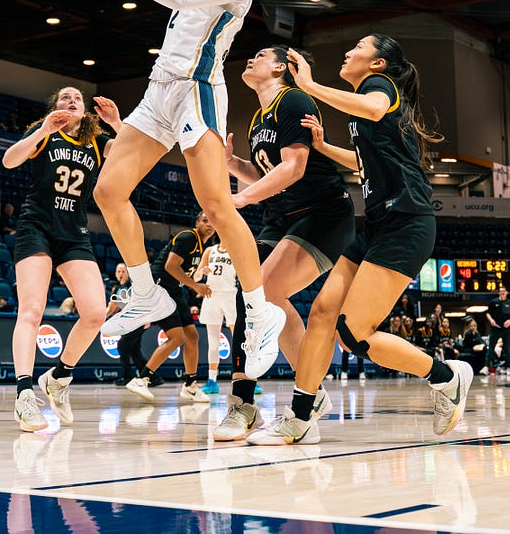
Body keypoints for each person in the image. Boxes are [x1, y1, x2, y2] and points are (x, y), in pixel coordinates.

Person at [77, 0, 288, 381]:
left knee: (216, 205)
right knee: (107, 191)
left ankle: (259, 311)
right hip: (158, 90)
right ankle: (147, 293)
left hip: (197, 90)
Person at [250, 36, 473, 446]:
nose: (349, 52)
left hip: (406, 222)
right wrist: (323, 147)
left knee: (353, 334)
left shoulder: (378, 88)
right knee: (321, 313)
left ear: (378, 63)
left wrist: (310, 86)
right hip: (375, 222)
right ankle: (301, 417)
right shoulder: (364, 106)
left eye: (358, 47)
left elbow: (372, 108)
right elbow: (362, 161)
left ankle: (446, 377)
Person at [213, 46, 359, 440]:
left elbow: (294, 167)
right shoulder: (259, 117)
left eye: (259, 54)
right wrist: (232, 165)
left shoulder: (293, 100)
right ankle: (284, 397)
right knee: (252, 295)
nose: (250, 58)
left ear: (280, 67)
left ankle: (261, 402)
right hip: (281, 218)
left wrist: (242, 198)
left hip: (322, 213)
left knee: (262, 291)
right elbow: (266, 170)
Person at [1, 85, 121, 431]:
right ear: (55, 107)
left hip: (74, 233)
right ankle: (24, 395)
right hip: (36, 227)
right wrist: (43, 130)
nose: (72, 100)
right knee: (31, 310)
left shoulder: (97, 141)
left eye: (78, 98)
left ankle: (59, 377)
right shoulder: (44, 134)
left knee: (95, 313)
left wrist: (117, 124)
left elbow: (134, 152)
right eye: (65, 97)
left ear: (85, 110)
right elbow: (9, 160)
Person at [125, 212, 215, 404]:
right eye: (205, 220)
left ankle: (190, 385)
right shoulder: (188, 237)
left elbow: (185, 272)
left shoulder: (201, 245)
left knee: (192, 336)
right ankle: (141, 379)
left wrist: (197, 279)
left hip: (174, 291)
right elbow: (170, 266)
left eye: (212, 221)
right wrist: (195, 286)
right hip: (159, 290)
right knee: (177, 337)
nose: (209, 224)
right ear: (197, 222)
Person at [197, 239, 236, 396]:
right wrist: (202, 271)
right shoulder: (209, 251)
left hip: (230, 295)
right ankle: (212, 380)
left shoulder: (236, 250)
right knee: (213, 342)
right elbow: (196, 277)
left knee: (239, 340)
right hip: (211, 294)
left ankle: (247, 379)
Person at [107, 263, 149, 386]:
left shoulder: (132, 287)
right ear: (115, 274)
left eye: (123, 271)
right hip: (128, 324)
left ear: (128, 274)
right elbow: (112, 308)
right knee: (135, 352)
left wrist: (147, 318)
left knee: (122, 346)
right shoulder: (117, 289)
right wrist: (100, 318)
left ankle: (127, 377)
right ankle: (150, 376)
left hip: (137, 322)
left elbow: (143, 303)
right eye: (118, 271)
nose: (120, 274)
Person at [483, 286, 510, 377]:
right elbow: (488, 313)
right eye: (501, 291)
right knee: (491, 347)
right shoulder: (493, 302)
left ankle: (508, 367)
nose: (502, 293)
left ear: (506, 292)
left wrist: (509, 321)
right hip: (495, 328)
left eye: (504, 291)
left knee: (507, 348)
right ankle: (486, 366)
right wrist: (491, 320)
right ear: (498, 293)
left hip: (506, 329)